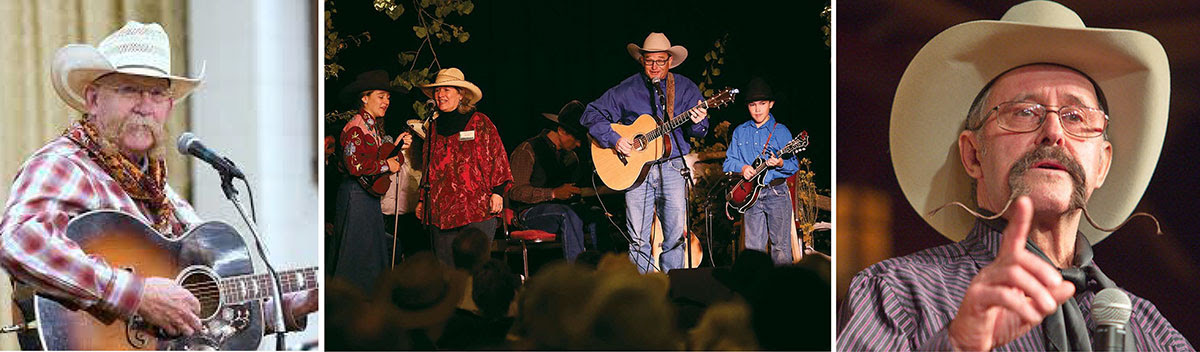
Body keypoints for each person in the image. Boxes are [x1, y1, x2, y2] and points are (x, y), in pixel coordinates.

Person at [837, 2, 1192, 351]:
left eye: (1075, 117)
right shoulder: (897, 294)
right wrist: (956, 346)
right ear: (973, 155)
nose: (1054, 132)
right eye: (1024, 112)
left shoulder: (1154, 333)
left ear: (1101, 165)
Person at [0, 21, 316, 344]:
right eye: (129, 89)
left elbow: (209, 311)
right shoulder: (65, 165)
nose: (144, 106)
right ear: (93, 99)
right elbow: (17, 239)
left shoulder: (164, 197)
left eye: (156, 93)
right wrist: (135, 294)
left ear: (168, 107)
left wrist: (292, 305)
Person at [580, 32, 709, 273]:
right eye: (649, 61)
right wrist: (616, 140)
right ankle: (644, 294)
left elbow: (700, 132)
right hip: (635, 171)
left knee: (674, 237)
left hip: (672, 166)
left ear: (670, 61)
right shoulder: (626, 89)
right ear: (642, 60)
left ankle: (673, 291)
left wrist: (699, 121)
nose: (655, 66)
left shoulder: (685, 88)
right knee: (638, 239)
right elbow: (590, 114)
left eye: (660, 61)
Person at [416, 68, 512, 267]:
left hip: (477, 209)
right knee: (447, 272)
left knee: (476, 268)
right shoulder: (432, 128)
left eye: (446, 89)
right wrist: (421, 200)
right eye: (437, 90)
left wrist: (498, 193)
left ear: (461, 94)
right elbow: (428, 168)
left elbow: (497, 156)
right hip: (441, 211)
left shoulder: (480, 123)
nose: (440, 95)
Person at [332, 69, 412, 293]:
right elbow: (355, 166)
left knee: (369, 251)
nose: (386, 101)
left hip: (366, 197)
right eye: (381, 96)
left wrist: (396, 148)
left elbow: (376, 158)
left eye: (388, 97)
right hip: (355, 196)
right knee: (356, 252)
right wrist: (388, 165)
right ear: (364, 98)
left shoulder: (372, 127)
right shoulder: (356, 127)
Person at [509, 100, 599, 262]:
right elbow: (516, 191)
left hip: (561, 209)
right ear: (561, 130)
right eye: (576, 138)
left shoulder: (571, 157)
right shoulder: (528, 150)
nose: (579, 144)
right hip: (528, 213)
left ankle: (605, 273)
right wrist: (553, 193)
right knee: (568, 215)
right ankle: (577, 277)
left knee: (595, 214)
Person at [723, 77, 799, 266]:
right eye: (753, 105)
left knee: (780, 247)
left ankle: (780, 291)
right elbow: (728, 162)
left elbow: (794, 165)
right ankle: (755, 292)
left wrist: (780, 162)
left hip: (776, 192)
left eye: (762, 104)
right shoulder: (740, 131)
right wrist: (743, 168)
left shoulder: (781, 131)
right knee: (753, 249)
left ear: (771, 104)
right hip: (750, 196)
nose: (757, 109)